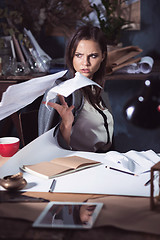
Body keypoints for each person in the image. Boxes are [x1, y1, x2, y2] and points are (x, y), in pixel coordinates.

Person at [38, 24, 114, 152]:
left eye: (93, 56)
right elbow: (50, 150)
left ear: (103, 56)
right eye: (79, 55)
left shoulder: (96, 87)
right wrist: (66, 125)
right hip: (78, 164)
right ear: (71, 56)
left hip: (105, 159)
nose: (85, 63)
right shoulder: (63, 91)